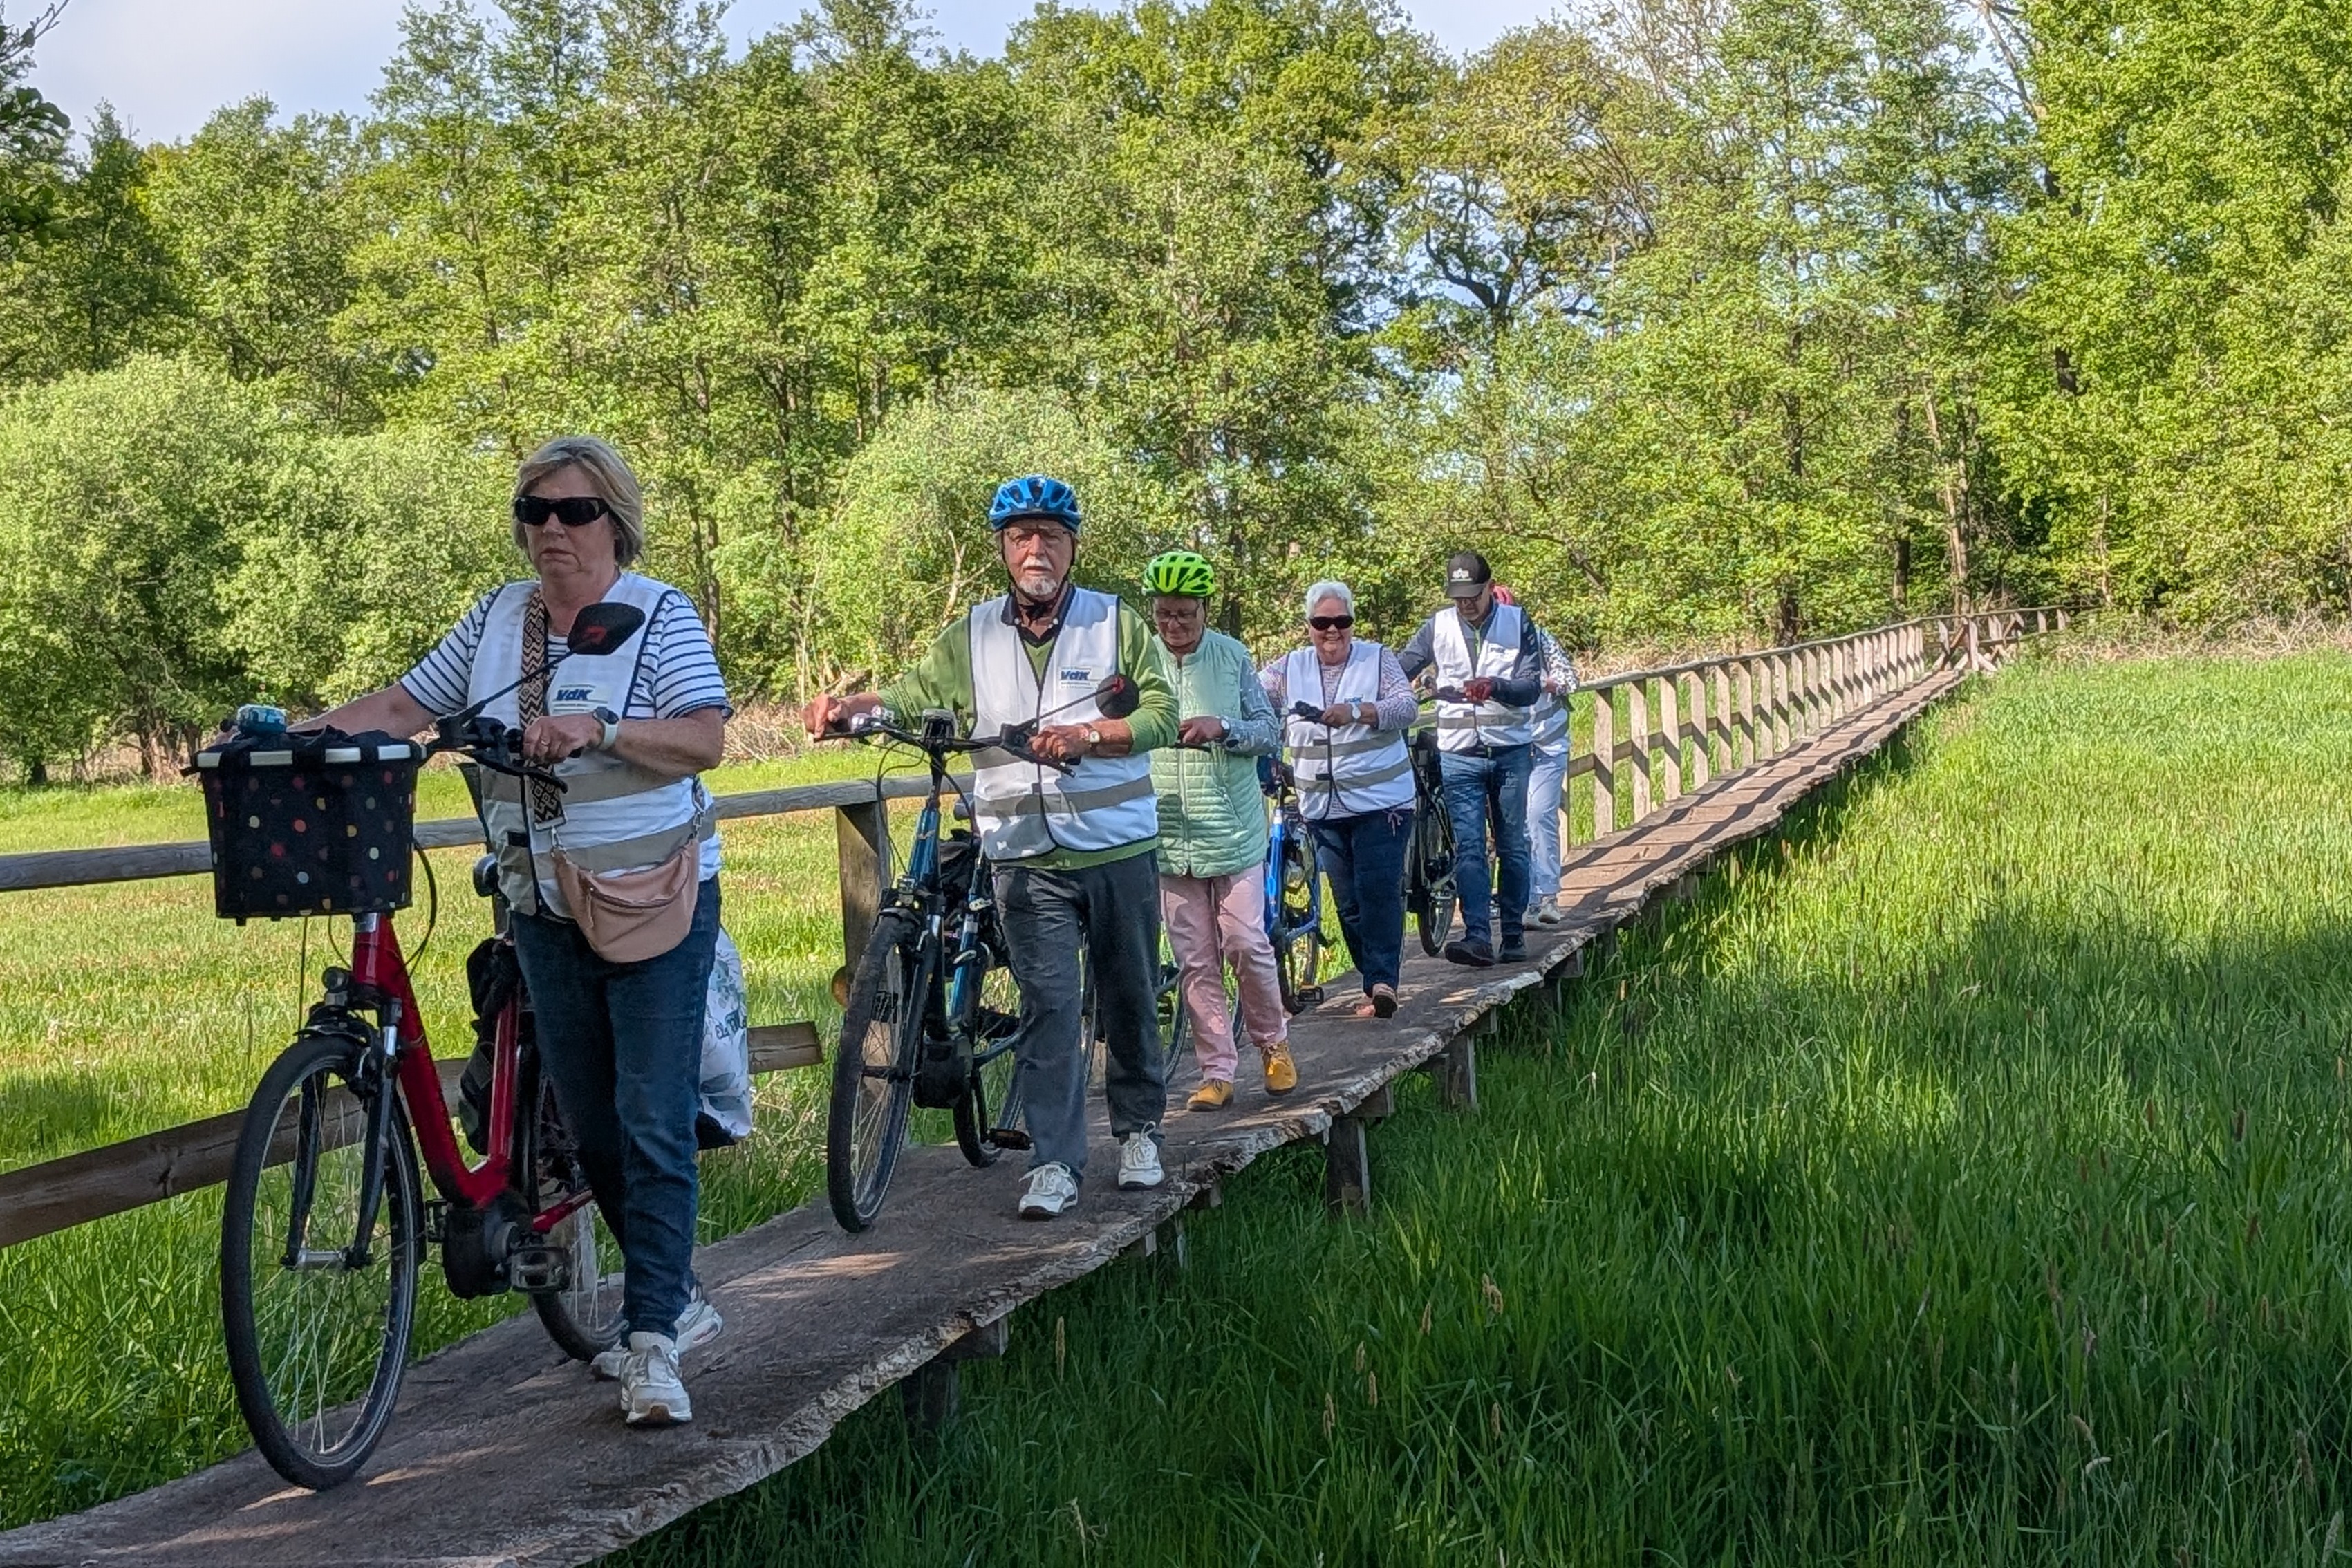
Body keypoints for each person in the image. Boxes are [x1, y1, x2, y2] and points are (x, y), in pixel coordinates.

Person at [306, 435, 730, 1428]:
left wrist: (603, 730)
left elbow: (707, 736)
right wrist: (298, 732)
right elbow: (411, 701)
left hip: (650, 894)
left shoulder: (659, 614)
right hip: (539, 902)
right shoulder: (499, 618)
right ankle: (676, 1298)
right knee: (589, 1127)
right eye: (533, 512)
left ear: (613, 521)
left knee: (650, 1117)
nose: (550, 530)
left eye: (573, 512)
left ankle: (654, 1340)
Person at [801, 476, 1178, 1221]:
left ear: (1073, 547)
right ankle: (1054, 1163)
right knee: (1047, 1005)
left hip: (1114, 849)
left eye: (1050, 537)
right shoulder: (971, 632)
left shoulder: (1114, 622)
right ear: (1004, 550)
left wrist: (1091, 735)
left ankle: (1138, 1130)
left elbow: (1161, 712)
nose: (1035, 550)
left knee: (1128, 996)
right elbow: (911, 697)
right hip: (1024, 856)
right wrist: (852, 709)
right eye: (1019, 538)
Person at [1141, 550, 1294, 1109]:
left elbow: (1268, 729)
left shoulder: (1232, 658)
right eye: (1164, 614)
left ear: (1204, 610)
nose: (1174, 625)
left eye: (1185, 614)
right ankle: (1217, 1072)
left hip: (1232, 831)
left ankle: (1273, 1044)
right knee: (1195, 960)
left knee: (1246, 943)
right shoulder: (1138, 660)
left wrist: (1221, 726)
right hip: (1165, 834)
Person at [1262, 581, 1417, 1018]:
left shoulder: (1378, 659)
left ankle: (1383, 981)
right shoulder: (1288, 669)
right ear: (1309, 626)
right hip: (1322, 807)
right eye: (1322, 622)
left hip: (1382, 802)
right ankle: (1374, 981)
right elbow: (1253, 698)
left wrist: (1360, 712)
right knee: (1347, 900)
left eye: (1341, 622)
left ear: (1352, 623)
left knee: (1379, 890)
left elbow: (1406, 707)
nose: (1332, 631)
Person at [1397, 550, 1544, 967]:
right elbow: (1401, 666)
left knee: (1514, 846)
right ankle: (1477, 935)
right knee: (1469, 848)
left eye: (1473, 596)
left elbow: (1531, 687)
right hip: (1459, 750)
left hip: (1510, 749)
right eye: (1458, 596)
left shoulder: (1518, 623)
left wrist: (1495, 686)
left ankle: (1512, 933)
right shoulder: (1437, 627)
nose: (1465, 604)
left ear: (1488, 589)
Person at [1493, 587, 1580, 926]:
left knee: (1539, 815)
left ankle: (1548, 897)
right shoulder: (1485, 650)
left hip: (1547, 744)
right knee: (1515, 827)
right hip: (1510, 745)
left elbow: (1571, 680)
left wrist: (1548, 684)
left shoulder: (1541, 638)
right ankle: (1525, 903)